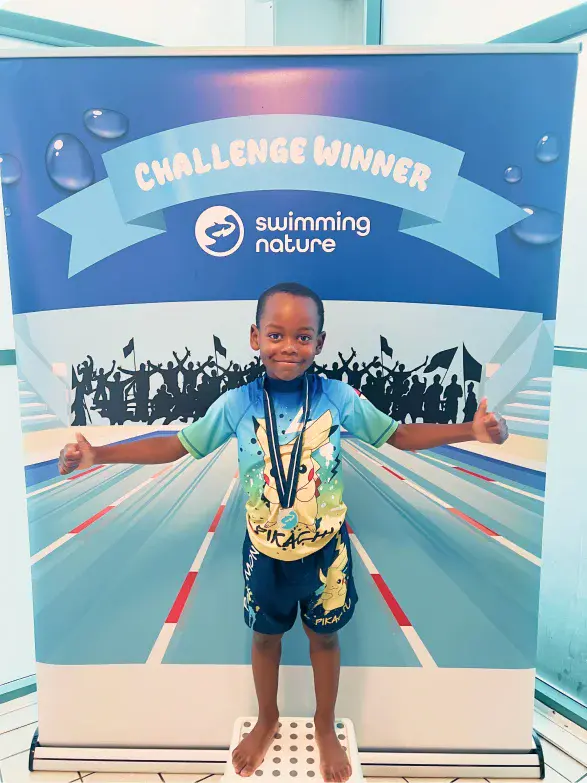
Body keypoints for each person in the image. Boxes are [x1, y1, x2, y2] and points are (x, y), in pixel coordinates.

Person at [58, 282, 508, 783]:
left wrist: (470, 431)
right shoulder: (238, 404)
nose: (289, 347)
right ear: (255, 337)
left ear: (319, 342)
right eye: (276, 335)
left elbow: (399, 435)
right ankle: (267, 717)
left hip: (326, 553)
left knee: (325, 640)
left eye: (302, 336)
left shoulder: (337, 398)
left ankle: (324, 725)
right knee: (265, 639)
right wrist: (99, 454)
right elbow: (176, 445)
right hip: (264, 552)